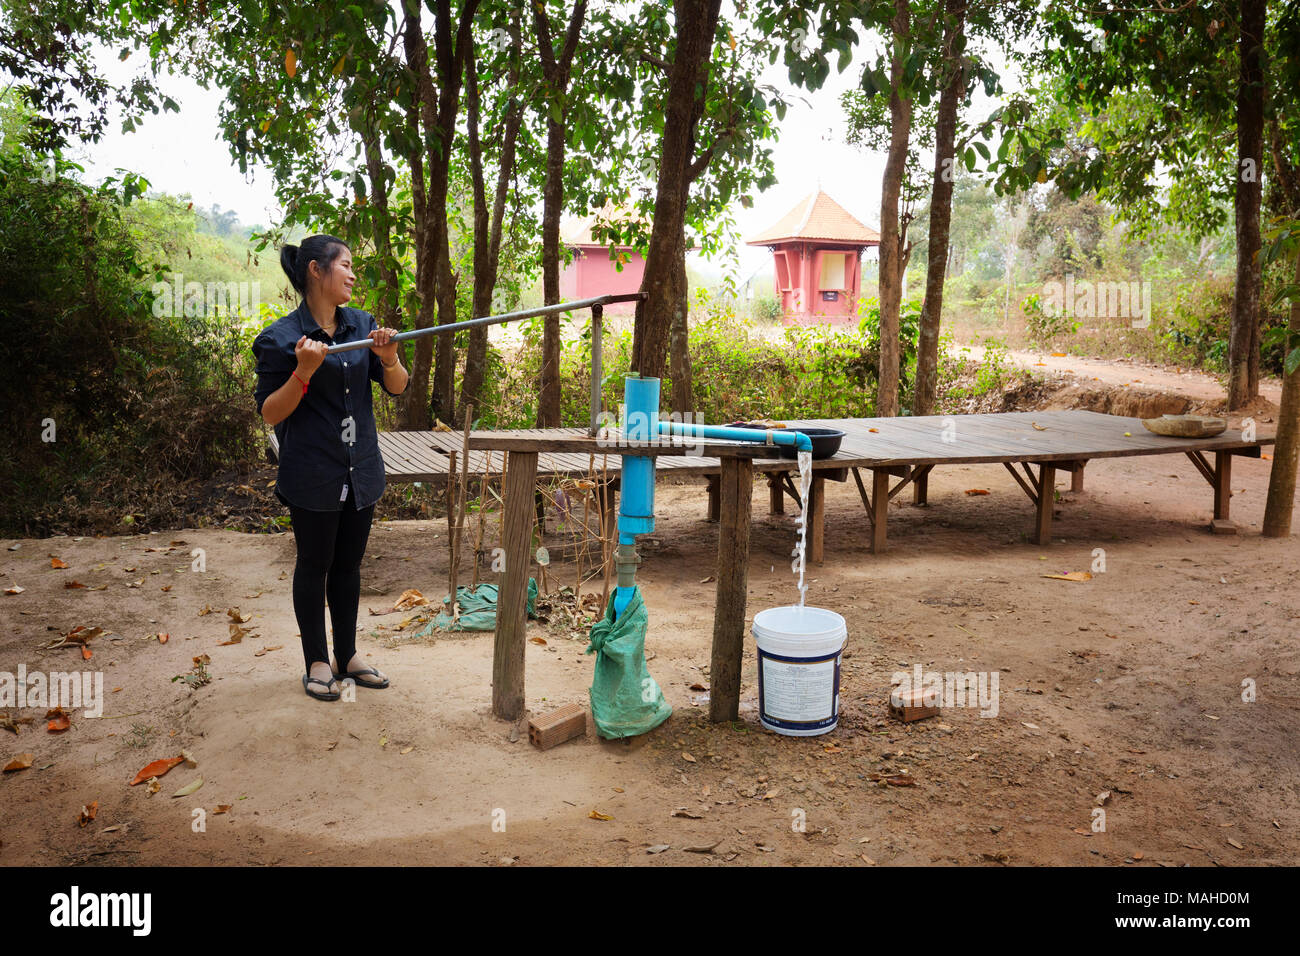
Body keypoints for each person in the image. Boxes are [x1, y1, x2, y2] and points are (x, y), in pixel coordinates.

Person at [251, 234, 409, 701]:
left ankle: (347, 655)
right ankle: (317, 662)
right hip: (313, 471)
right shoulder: (281, 339)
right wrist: (303, 371)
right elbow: (270, 413)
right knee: (314, 564)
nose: (353, 274)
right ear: (316, 272)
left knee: (349, 564)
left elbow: (397, 387)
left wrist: (389, 357)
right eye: (345, 265)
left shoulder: (363, 326)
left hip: (360, 468)